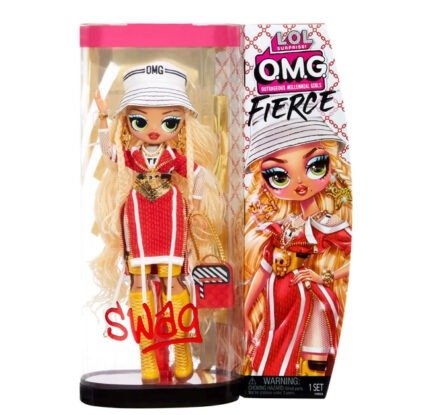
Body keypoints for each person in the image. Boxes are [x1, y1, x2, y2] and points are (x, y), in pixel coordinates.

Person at [93, 62, 223, 383]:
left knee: (173, 280)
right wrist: (103, 117)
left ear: (180, 123)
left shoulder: (174, 158)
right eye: (140, 120)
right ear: (129, 122)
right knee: (139, 283)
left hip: (170, 213)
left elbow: (198, 174)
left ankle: (181, 351)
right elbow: (108, 153)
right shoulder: (132, 155)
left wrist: (196, 203)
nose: (153, 130)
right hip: (139, 213)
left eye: (169, 121)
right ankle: (147, 357)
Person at [244, 113, 352, 376]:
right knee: (271, 352)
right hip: (276, 303)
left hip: (307, 298)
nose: (300, 183)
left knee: (312, 357)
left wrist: (326, 276)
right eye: (279, 175)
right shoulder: (281, 226)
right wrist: (245, 311)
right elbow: (263, 270)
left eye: (315, 166)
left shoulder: (325, 223)